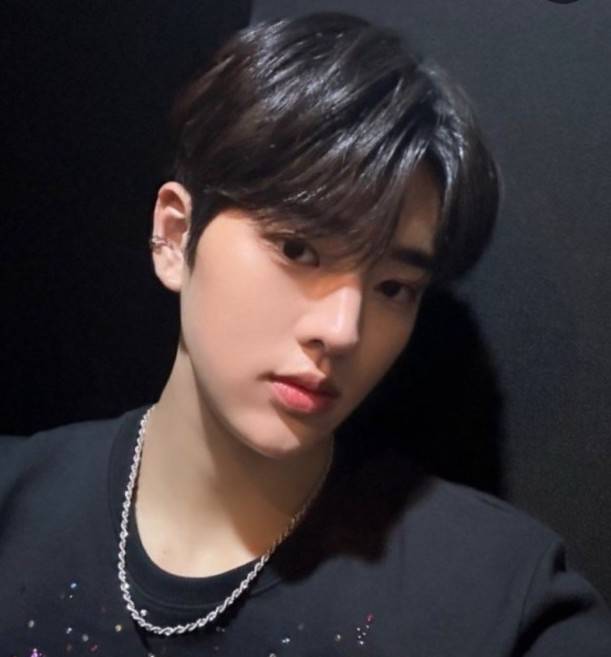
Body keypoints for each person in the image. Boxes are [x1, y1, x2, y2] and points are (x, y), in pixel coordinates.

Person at [2, 12, 611, 657]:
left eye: (393, 288)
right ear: (176, 236)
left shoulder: (496, 596)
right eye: (298, 249)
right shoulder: (16, 504)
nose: (343, 331)